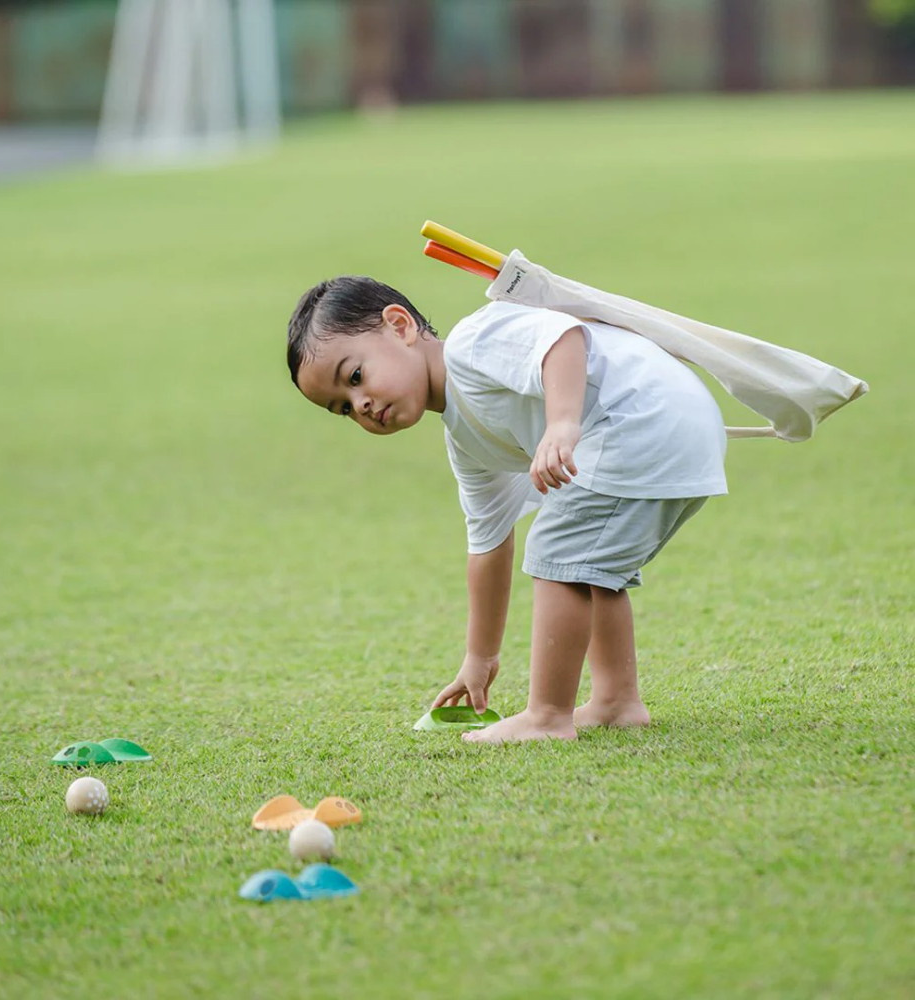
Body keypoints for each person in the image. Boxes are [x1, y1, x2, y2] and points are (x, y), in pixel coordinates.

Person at [286, 276, 727, 744]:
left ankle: (547, 717)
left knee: (559, 549)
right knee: (590, 563)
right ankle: (616, 701)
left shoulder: (472, 344)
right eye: (343, 409)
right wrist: (480, 658)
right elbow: (488, 545)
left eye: (355, 377)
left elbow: (562, 339)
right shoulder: (466, 440)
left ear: (399, 326)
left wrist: (561, 423)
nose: (361, 404)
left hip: (643, 419)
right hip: (675, 426)